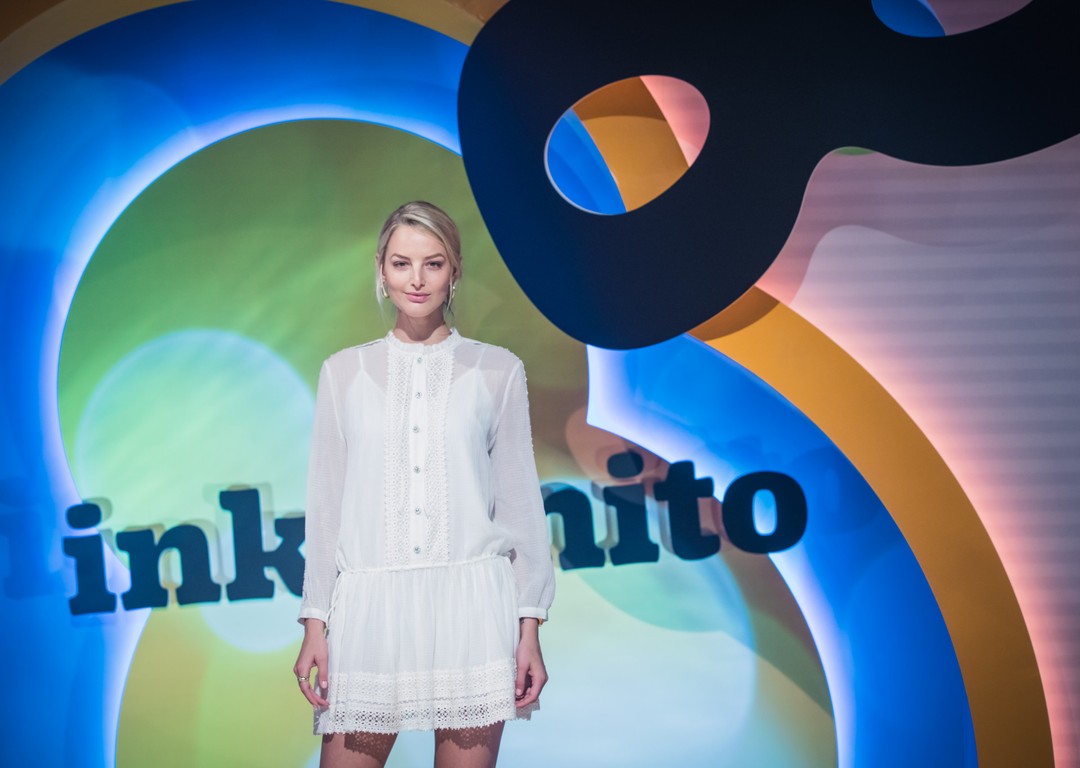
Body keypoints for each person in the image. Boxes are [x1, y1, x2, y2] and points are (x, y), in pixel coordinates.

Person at [293, 201, 555, 768]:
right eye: (401, 263)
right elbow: (325, 506)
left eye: (432, 264)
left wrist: (529, 625)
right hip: (369, 612)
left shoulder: (497, 369)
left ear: (454, 270)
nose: (416, 279)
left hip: (473, 611)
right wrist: (315, 621)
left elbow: (519, 505)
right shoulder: (343, 373)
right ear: (381, 270)